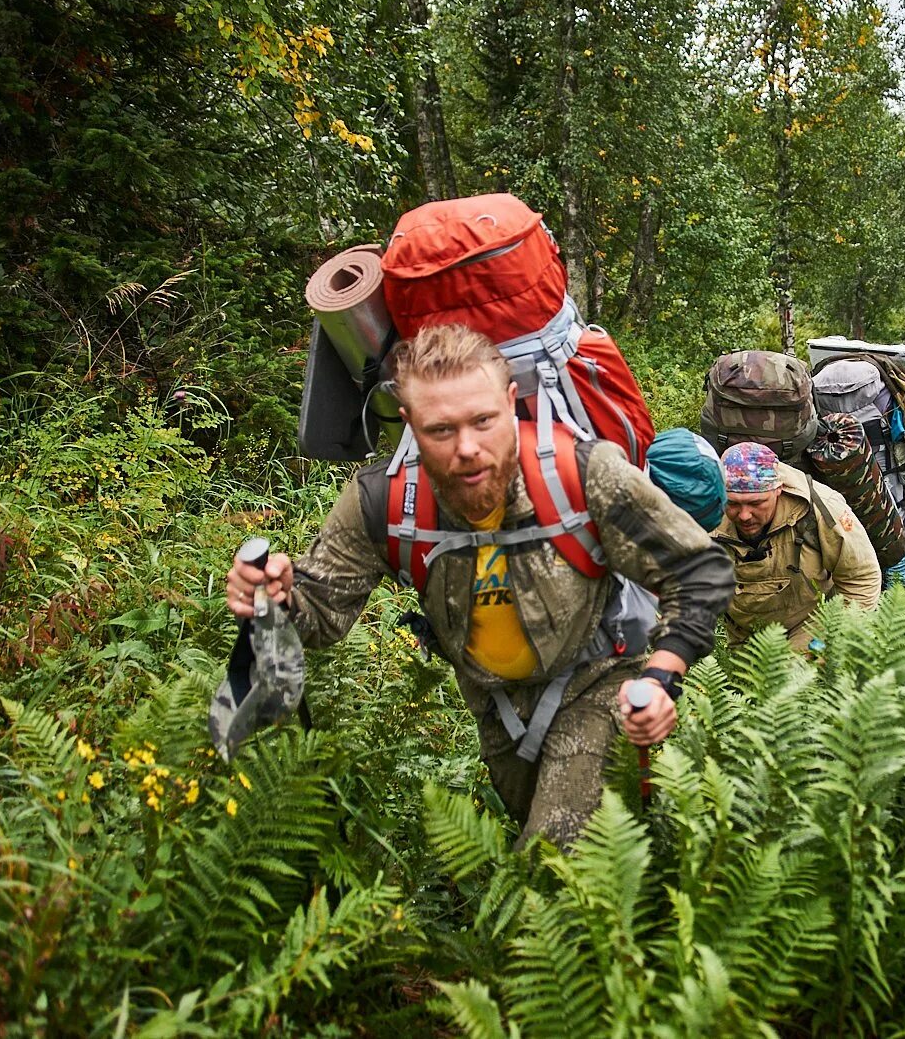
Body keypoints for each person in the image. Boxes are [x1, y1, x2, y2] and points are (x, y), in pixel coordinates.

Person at [225, 326, 733, 848]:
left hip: (597, 682)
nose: (467, 448)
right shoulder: (385, 502)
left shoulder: (579, 473)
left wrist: (661, 673)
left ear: (511, 402)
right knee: (569, 856)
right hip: (497, 709)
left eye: (484, 421)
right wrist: (275, 598)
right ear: (409, 423)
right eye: (441, 430)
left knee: (553, 864)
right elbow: (320, 611)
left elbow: (698, 569)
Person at [711, 441, 881, 653]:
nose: (744, 515)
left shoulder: (821, 507)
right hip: (745, 630)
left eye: (756, 504)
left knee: (793, 675)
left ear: (778, 490)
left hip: (811, 622)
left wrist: (837, 639)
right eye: (733, 504)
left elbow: (860, 577)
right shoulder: (705, 511)